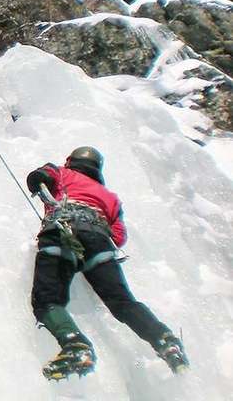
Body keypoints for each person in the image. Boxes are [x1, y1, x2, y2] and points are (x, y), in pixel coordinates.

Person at [26, 146, 188, 380]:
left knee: (47, 299)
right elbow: (118, 236)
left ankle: (75, 345)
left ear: (71, 161)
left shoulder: (61, 172)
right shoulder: (111, 198)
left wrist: (38, 183)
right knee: (122, 302)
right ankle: (165, 340)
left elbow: (40, 176)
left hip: (61, 232)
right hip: (99, 243)